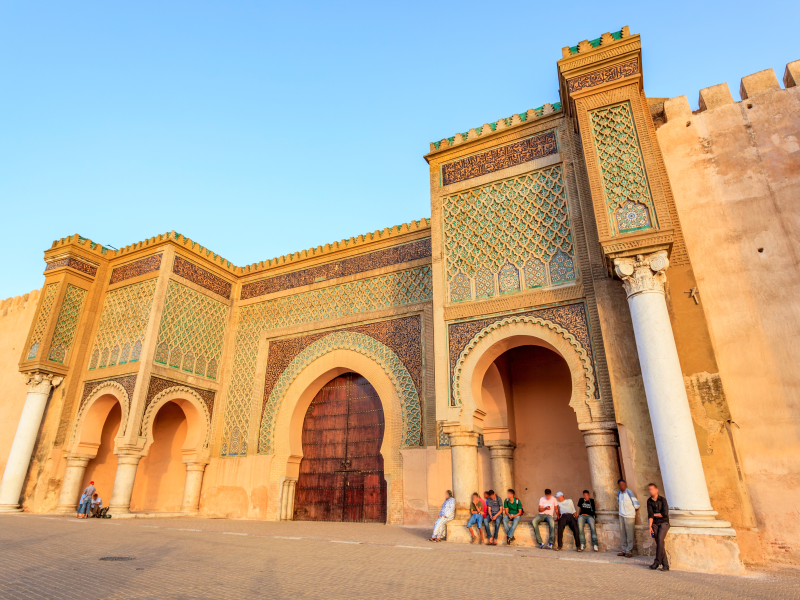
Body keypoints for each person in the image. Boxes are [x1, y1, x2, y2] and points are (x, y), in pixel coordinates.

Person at [647, 483, 670, 571]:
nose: (651, 491)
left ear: (657, 490)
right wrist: (650, 527)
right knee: (659, 542)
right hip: (655, 524)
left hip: (664, 523)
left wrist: (653, 514)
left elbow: (664, 514)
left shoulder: (663, 500)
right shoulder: (649, 501)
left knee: (660, 539)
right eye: (649, 489)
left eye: (652, 489)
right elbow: (650, 515)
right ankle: (665, 565)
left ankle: (657, 562)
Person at [617, 479, 640, 557]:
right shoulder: (619, 493)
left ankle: (629, 551)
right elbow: (619, 503)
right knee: (622, 533)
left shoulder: (629, 493)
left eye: (623, 484)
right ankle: (623, 550)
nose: (622, 486)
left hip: (629, 516)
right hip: (621, 515)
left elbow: (636, 505)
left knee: (630, 534)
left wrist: (631, 512)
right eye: (620, 484)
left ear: (625, 484)